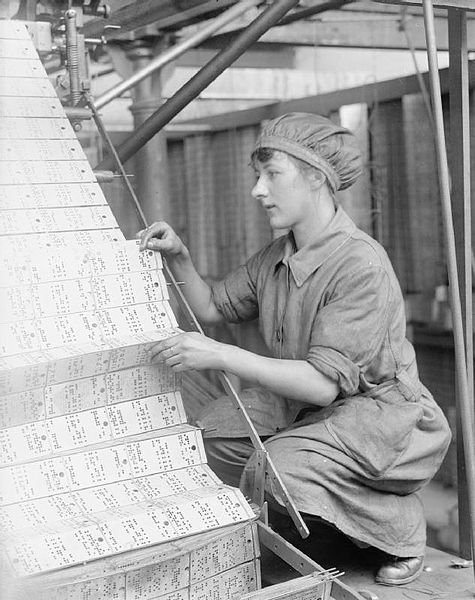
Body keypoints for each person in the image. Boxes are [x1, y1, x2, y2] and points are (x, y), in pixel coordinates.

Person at [138, 112, 451, 586]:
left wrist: (222, 355)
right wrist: (178, 255)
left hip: (376, 417)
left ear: (318, 178)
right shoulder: (276, 256)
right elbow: (211, 307)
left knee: (276, 467)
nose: (257, 190)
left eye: (271, 176)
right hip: (307, 407)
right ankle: (319, 522)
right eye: (256, 176)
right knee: (210, 438)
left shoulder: (360, 265)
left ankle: (397, 528)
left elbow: (324, 386)